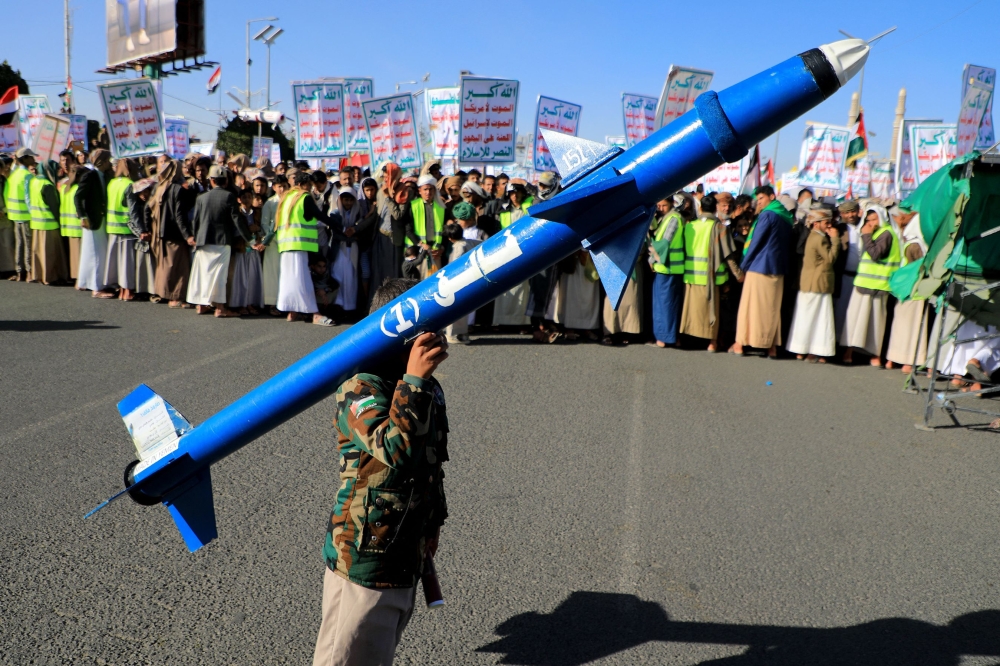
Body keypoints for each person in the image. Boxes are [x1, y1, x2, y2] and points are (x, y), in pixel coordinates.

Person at [312, 280, 449, 666]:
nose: (438, 335)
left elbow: (430, 465)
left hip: (403, 553)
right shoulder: (360, 386)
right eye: (429, 327)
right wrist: (416, 380)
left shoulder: (425, 388)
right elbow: (396, 450)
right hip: (364, 560)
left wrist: (432, 524)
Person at [732, 185, 793, 358]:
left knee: (749, 308)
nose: (759, 203)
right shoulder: (786, 217)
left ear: (771, 197)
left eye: (761, 199)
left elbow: (755, 243)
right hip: (778, 269)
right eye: (758, 200)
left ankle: (740, 343)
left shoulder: (767, 215)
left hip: (759, 267)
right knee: (772, 310)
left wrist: (743, 266)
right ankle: (771, 346)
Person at [679, 193, 744, 351]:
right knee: (710, 312)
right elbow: (728, 255)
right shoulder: (720, 228)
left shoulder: (690, 226)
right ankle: (711, 343)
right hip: (711, 277)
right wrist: (738, 274)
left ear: (700, 208)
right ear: (715, 208)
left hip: (691, 275)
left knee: (691, 312)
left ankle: (688, 340)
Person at [274, 170, 338, 326]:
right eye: (308, 185)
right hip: (298, 245)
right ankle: (315, 314)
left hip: (286, 246)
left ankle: (292, 312)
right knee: (303, 280)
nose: (310, 188)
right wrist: (337, 224)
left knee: (290, 281)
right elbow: (319, 215)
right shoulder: (303, 197)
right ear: (302, 185)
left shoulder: (287, 197)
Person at [187, 165, 251, 318]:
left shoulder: (201, 197)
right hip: (222, 241)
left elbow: (195, 221)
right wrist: (250, 238)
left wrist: (194, 237)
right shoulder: (229, 196)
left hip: (203, 241)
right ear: (225, 180)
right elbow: (237, 220)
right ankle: (220, 308)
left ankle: (201, 305)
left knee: (203, 274)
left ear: (212, 180)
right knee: (219, 276)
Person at [840, 204, 899, 367]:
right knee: (854, 319)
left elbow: (875, 254)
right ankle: (849, 351)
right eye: (868, 220)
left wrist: (866, 236)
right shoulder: (876, 232)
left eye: (874, 219)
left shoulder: (886, 233)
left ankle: (875, 355)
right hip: (863, 283)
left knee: (875, 323)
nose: (870, 223)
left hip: (878, 285)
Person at [785, 208, 840, 362]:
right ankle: (813, 351)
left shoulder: (812, 236)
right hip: (818, 284)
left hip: (809, 283)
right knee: (819, 318)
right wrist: (835, 240)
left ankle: (801, 349)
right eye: (826, 223)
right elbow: (829, 259)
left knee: (805, 317)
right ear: (816, 224)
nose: (829, 226)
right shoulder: (820, 238)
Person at [885, 206, 929, 373]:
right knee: (912, 328)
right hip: (914, 290)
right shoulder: (916, 243)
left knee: (901, 326)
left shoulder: (910, 242)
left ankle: (893, 359)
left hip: (906, 289)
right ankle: (908, 361)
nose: (895, 220)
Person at [150, 158, 193, 308]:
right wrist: (187, 235)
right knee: (177, 266)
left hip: (160, 231)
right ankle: (174, 297)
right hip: (175, 233)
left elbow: (148, 208)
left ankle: (161, 293)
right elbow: (179, 215)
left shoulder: (160, 187)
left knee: (164, 265)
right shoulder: (177, 189)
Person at [75, 149, 113, 296]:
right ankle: (97, 288)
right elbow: (78, 197)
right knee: (95, 253)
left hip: (100, 218)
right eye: (108, 160)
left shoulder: (105, 175)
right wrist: (82, 216)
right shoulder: (90, 175)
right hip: (91, 219)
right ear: (102, 161)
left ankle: (85, 282)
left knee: (94, 252)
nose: (110, 163)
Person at [648, 197, 685, 347]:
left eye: (664, 205)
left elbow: (665, 242)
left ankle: (664, 338)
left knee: (665, 305)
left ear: (671, 204)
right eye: (659, 205)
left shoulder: (673, 218)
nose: (660, 208)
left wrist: (651, 259)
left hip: (668, 267)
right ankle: (667, 337)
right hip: (667, 268)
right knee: (666, 304)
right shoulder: (666, 218)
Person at [103, 158, 140, 301]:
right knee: (127, 262)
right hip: (125, 227)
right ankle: (128, 290)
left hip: (112, 226)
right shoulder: (130, 184)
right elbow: (132, 210)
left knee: (115, 260)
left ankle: (120, 290)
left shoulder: (112, 183)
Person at [28, 159, 69, 285]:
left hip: (36, 223)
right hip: (49, 224)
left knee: (39, 253)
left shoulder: (34, 181)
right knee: (49, 254)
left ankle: (40, 275)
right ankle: (50, 277)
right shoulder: (47, 185)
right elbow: (54, 207)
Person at [442, 221, 480, 344]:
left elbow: (454, 266)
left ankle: (452, 335)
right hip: (470, 279)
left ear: (450, 238)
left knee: (453, 309)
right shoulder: (469, 242)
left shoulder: (459, 246)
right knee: (464, 309)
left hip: (458, 281)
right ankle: (463, 333)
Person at [833, 200, 864, 349]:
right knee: (840, 311)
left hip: (861, 277)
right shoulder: (838, 229)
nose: (850, 215)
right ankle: (838, 343)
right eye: (846, 212)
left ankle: (850, 346)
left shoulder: (865, 227)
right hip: (843, 277)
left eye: (852, 211)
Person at [331, 186, 363, 318]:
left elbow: (362, 230)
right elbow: (335, 231)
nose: (348, 203)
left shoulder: (358, 213)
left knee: (351, 278)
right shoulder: (335, 213)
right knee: (338, 275)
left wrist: (354, 233)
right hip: (340, 249)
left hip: (353, 249)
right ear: (340, 199)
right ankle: (338, 306)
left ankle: (350, 308)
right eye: (345, 200)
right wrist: (346, 233)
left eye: (350, 200)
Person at [5, 147, 36, 281]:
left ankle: (20, 271)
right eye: (31, 157)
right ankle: (29, 271)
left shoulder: (13, 175)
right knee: (28, 244)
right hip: (26, 215)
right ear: (26, 158)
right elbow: (28, 197)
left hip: (14, 215)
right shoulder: (27, 176)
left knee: (19, 244)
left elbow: (6, 194)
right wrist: (33, 213)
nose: (34, 159)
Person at [260, 175, 288, 315]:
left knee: (285, 273)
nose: (282, 189)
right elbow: (265, 223)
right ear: (274, 187)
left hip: (288, 241)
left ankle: (284, 303)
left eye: (284, 186)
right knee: (272, 273)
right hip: (272, 242)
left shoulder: (290, 201)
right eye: (279, 186)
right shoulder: (270, 203)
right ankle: (272, 304)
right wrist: (271, 237)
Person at [409, 174, 446, 277]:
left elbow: (443, 230)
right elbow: (408, 229)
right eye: (425, 189)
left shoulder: (441, 207)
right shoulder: (413, 205)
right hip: (418, 252)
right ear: (419, 190)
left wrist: (441, 247)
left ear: (434, 190)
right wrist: (420, 244)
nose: (428, 192)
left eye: (430, 189)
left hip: (435, 252)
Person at [57, 163, 84, 279]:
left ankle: (73, 276)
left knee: (72, 255)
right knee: (79, 255)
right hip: (77, 226)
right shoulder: (78, 189)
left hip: (67, 226)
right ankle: (80, 278)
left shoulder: (64, 188)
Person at [0, 155, 17, 276]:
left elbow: (9, 196)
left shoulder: (5, 181)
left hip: (5, 215)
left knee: (8, 243)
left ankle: (10, 268)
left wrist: (4, 210)